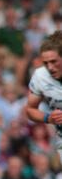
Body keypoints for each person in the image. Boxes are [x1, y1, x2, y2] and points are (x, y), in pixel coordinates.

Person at [26, 31, 62, 162]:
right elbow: (30, 110)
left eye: (54, 62)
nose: (50, 67)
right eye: (45, 63)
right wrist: (48, 118)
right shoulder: (40, 76)